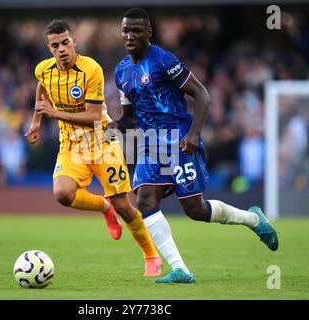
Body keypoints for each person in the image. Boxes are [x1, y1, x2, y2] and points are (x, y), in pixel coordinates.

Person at [114, 8, 279, 284]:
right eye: (126, 30)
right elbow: (128, 117)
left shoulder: (163, 61)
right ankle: (181, 269)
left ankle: (253, 220)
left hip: (179, 140)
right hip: (151, 145)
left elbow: (202, 94)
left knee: (196, 210)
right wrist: (114, 129)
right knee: (144, 199)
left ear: (149, 33)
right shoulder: (121, 71)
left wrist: (193, 133)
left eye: (137, 30)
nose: (130, 36)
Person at [24, 19, 162, 276]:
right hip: (70, 144)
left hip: (100, 141)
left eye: (66, 42)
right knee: (62, 194)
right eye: (55, 45)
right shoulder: (43, 69)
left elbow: (94, 117)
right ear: (49, 48)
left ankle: (151, 255)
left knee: (123, 205)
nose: (62, 49)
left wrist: (53, 113)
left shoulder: (91, 69)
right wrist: (36, 121)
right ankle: (103, 207)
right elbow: (42, 85)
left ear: (74, 41)